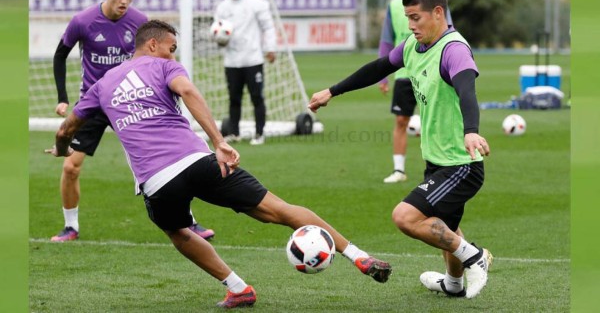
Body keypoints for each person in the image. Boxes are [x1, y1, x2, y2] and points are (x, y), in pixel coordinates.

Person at [46, 20, 392, 308]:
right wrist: (219, 141)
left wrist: (62, 148)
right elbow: (190, 92)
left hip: (157, 181)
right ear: (152, 45)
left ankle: (238, 287)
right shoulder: (164, 66)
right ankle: (358, 256)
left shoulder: (104, 84)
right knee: (279, 209)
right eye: (171, 47)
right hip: (200, 161)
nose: (173, 53)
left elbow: (68, 127)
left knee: (178, 231)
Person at [308, 0, 492, 299]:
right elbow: (378, 68)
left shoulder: (453, 49)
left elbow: (466, 91)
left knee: (405, 217)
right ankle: (454, 284)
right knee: (445, 227)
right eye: (407, 18)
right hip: (437, 160)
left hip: (461, 164)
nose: (410, 25)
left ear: (437, 13)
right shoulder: (411, 47)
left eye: (416, 17)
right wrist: (332, 91)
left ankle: (475, 258)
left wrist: (471, 129)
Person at [50, 0, 214, 242]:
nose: (124, 0)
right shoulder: (83, 21)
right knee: (70, 167)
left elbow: (159, 56)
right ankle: (70, 227)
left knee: (168, 162)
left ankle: (191, 222)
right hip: (94, 102)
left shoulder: (140, 22)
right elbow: (59, 55)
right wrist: (62, 97)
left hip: (132, 99)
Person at [378, 0, 452, 184]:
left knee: (435, 120)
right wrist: (383, 76)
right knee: (401, 120)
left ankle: (438, 167)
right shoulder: (393, 6)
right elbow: (386, 41)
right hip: (404, 73)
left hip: (431, 71)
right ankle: (399, 170)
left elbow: (449, 34)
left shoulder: (435, 5)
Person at [214, 0, 276, 146]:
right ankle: (234, 133)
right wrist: (220, 40)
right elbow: (217, 31)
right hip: (232, 61)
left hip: (253, 59)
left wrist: (270, 48)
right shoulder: (223, 7)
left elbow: (268, 27)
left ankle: (259, 133)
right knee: (234, 98)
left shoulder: (257, 4)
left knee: (257, 97)